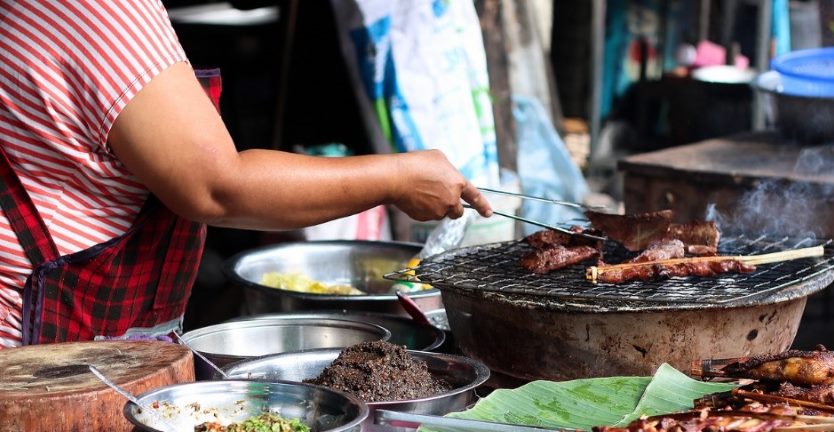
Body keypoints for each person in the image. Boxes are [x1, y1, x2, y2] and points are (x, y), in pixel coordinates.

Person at [0, 0, 491, 347]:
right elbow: (218, 187)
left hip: (76, 345)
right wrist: (398, 176)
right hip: (42, 359)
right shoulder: (93, 10)